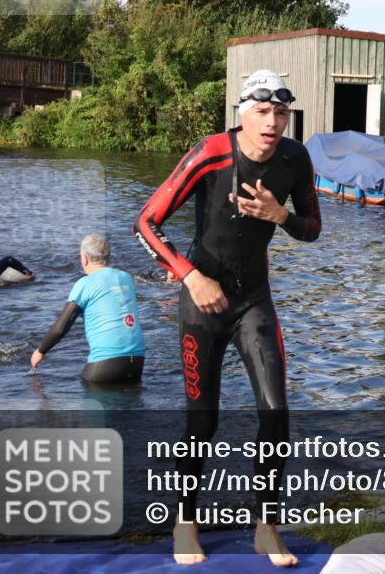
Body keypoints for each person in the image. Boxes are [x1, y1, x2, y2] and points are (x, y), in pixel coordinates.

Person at [134, 69, 321, 566]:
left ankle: (265, 527)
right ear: (242, 113)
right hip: (203, 301)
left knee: (276, 413)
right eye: (262, 111)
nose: (273, 121)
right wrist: (191, 277)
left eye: (281, 112)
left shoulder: (294, 159)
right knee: (203, 421)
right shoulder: (211, 152)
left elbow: (313, 229)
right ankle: (185, 522)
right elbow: (146, 223)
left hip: (254, 300)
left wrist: (281, 216)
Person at [30, 234, 146, 383]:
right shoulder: (126, 278)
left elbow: (61, 327)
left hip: (105, 363)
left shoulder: (84, 284)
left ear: (83, 259)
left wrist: (40, 351)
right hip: (137, 361)